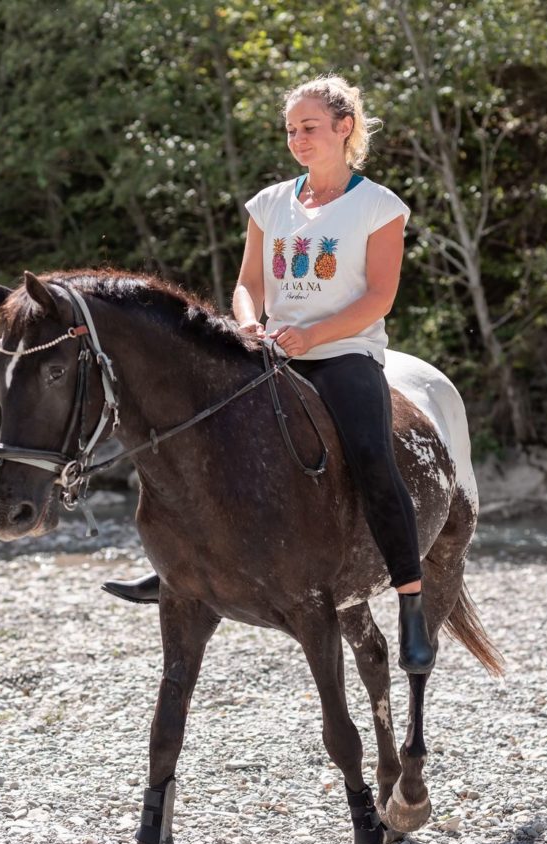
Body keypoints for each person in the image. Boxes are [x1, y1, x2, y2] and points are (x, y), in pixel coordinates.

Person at [104, 73, 434, 674]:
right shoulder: (271, 202)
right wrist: (248, 323)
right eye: (290, 130)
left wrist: (313, 334)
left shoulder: (379, 206)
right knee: (193, 434)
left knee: (372, 456)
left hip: (343, 353)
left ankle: (410, 597)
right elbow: (247, 284)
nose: (298, 139)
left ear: (344, 128)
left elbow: (378, 299)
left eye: (309, 128)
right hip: (268, 351)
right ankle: (178, 567)